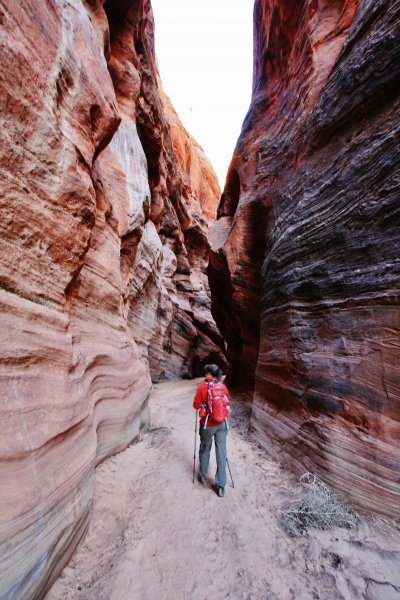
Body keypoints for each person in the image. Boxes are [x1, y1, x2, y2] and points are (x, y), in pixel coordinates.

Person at [193, 364, 231, 497]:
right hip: (222, 424)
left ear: (208, 374)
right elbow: (228, 402)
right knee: (221, 451)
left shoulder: (202, 387)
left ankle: (203, 476)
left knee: (205, 449)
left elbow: (196, 405)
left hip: (207, 425)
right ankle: (221, 486)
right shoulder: (222, 386)